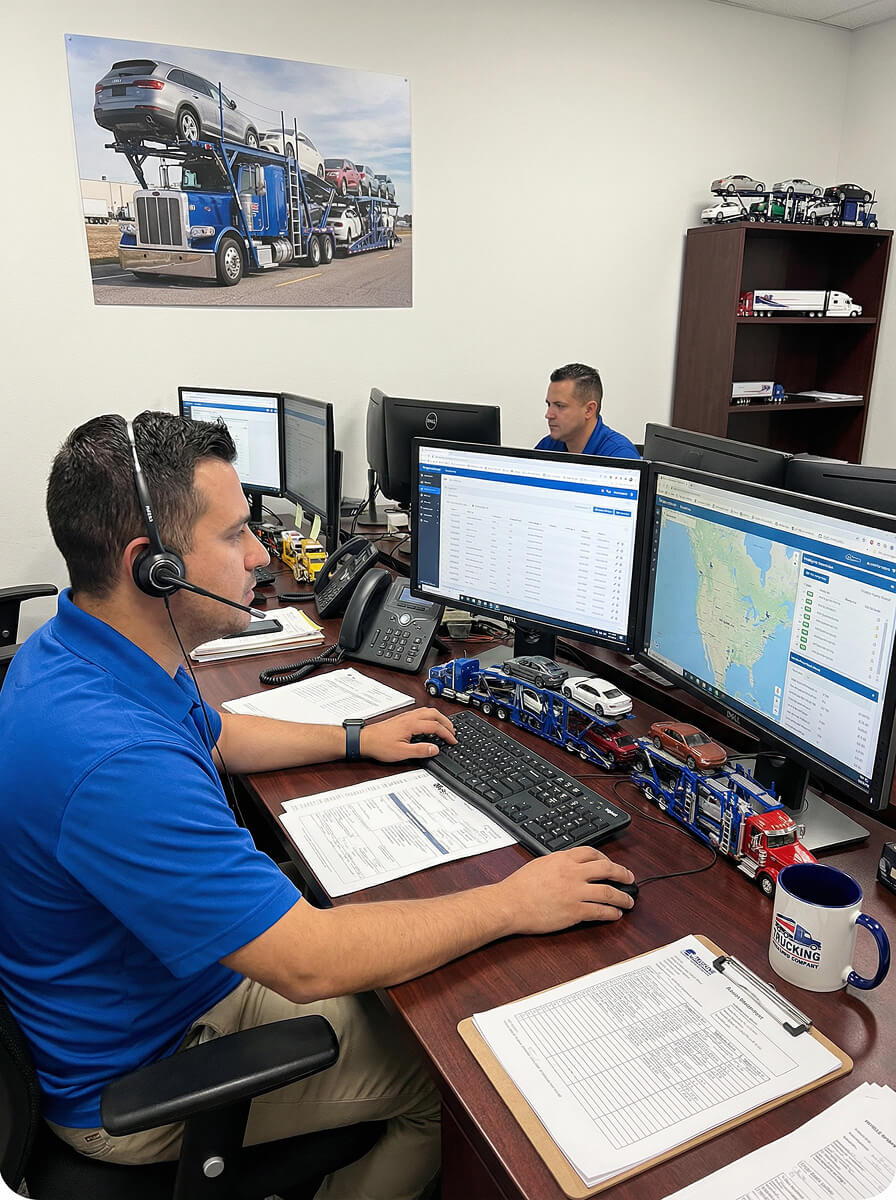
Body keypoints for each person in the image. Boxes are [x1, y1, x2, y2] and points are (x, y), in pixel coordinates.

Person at [0, 411, 636, 1200]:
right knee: (461, 1084)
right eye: (236, 535)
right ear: (153, 568)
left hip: (139, 995)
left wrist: (354, 738)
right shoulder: (114, 760)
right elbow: (308, 961)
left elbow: (219, 733)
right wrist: (515, 901)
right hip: (137, 1074)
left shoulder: (78, 652)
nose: (261, 556)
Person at [536, 362, 640, 459]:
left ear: (589, 410)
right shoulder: (548, 446)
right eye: (549, 404)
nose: (548, 415)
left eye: (560, 406)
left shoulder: (619, 455)